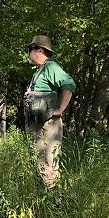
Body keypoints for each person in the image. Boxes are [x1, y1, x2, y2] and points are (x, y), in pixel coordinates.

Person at [23, 35, 76, 187]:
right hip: (39, 124)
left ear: (39, 50)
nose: (28, 53)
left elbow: (69, 84)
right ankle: (45, 195)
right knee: (40, 159)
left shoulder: (51, 67)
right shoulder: (41, 70)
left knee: (50, 162)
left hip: (49, 124)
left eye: (30, 49)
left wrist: (60, 109)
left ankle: (55, 200)